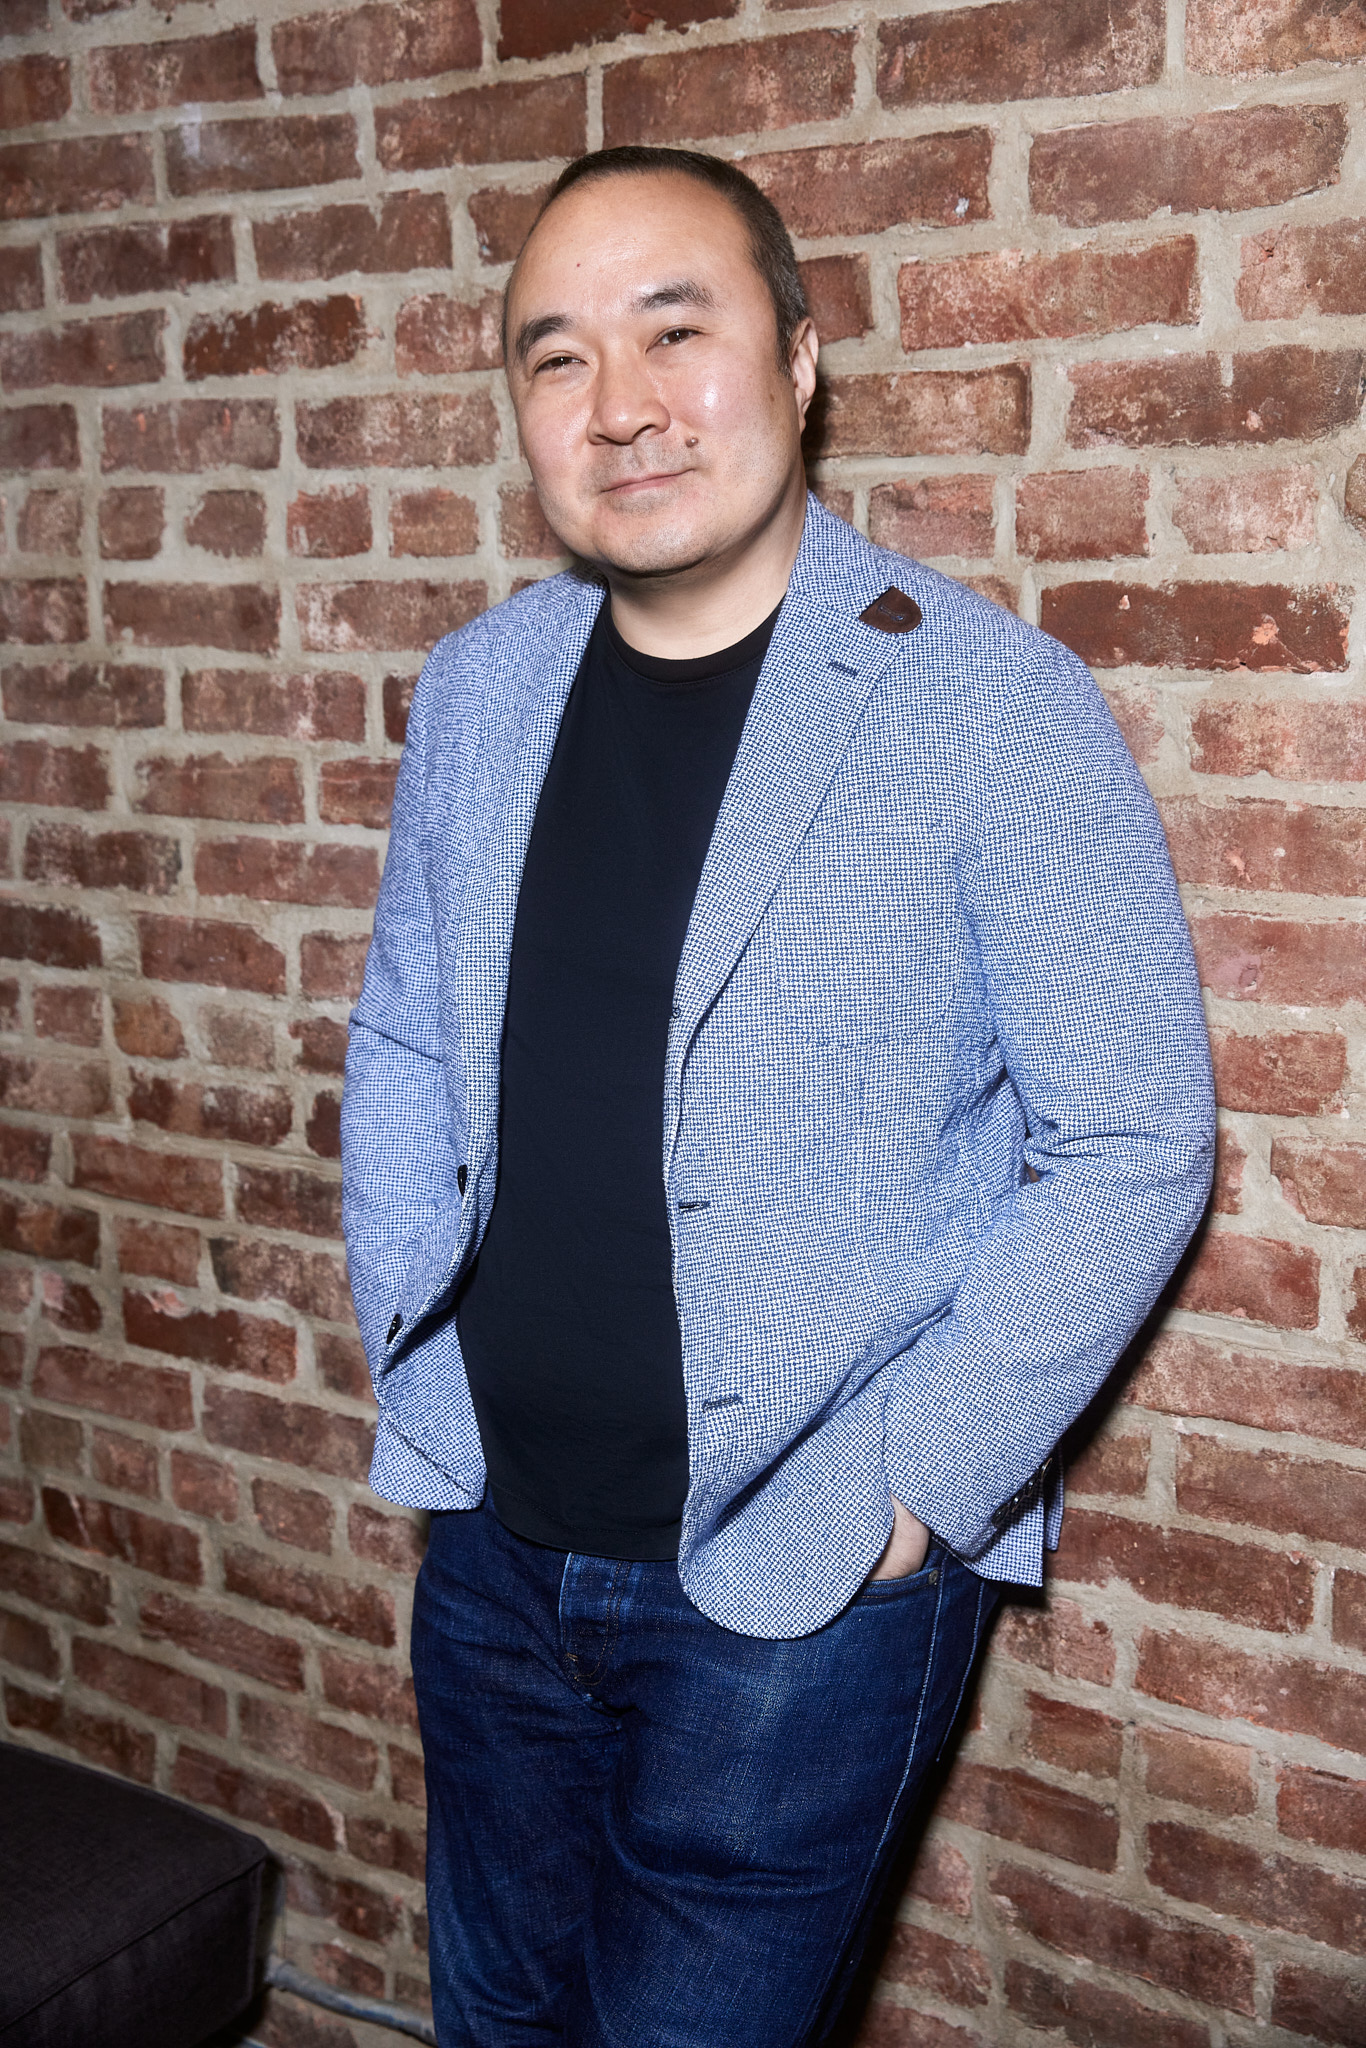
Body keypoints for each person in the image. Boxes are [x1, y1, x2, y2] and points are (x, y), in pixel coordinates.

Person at [341, 145, 1214, 2048]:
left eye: (676, 331)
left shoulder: (986, 699)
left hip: (803, 1590)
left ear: (801, 360)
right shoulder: (480, 688)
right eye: (555, 357)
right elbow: (404, 1036)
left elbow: (1133, 1137)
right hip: (490, 1547)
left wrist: (918, 1487)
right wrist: (409, 1319)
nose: (619, 405)